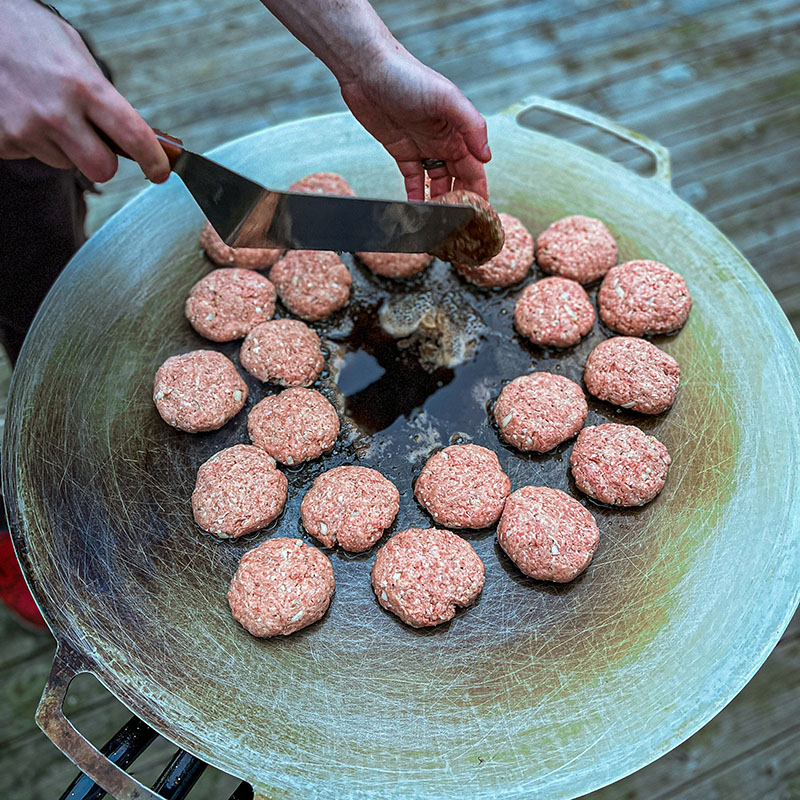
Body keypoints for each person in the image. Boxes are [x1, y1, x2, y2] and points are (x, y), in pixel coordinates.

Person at [0, 0, 492, 628]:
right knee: (36, 317)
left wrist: (369, 57)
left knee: (36, 257)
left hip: (29, 62)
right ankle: (20, 531)